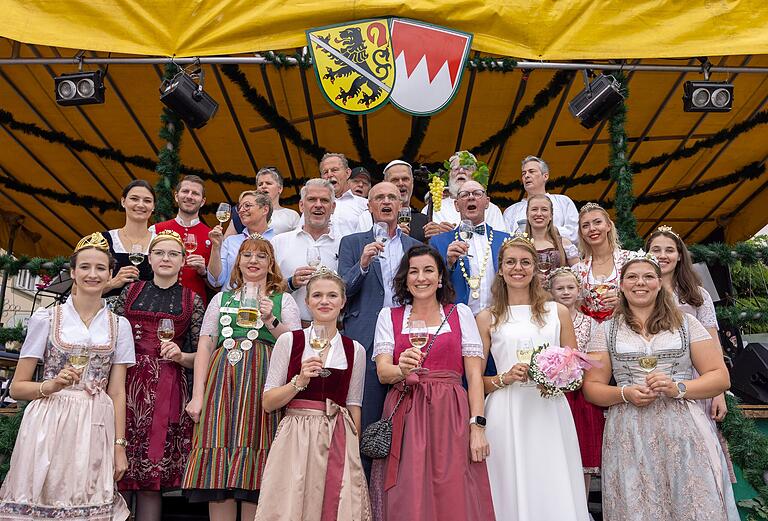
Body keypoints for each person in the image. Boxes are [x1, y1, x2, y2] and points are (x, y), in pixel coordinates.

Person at [582, 252, 738, 521]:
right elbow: (592, 387)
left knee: (691, 503)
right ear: (621, 285)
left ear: (659, 283)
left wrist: (678, 387)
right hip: (629, 431)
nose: (639, 283)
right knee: (637, 505)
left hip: (682, 428)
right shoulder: (606, 330)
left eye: (647, 277)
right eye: (631, 277)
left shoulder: (686, 324)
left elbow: (719, 376)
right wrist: (624, 393)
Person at [0, 233, 135, 520]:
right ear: (73, 272)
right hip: (48, 423)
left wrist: (119, 447)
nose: (92, 274)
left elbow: (118, 392)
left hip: (96, 424)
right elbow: (18, 387)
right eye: (85, 267)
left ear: (110, 274)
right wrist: (51, 384)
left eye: (100, 268)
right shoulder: (46, 319)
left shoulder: (120, 326)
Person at [369, 245, 494, 520]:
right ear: (405, 278)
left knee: (454, 490)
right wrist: (401, 370)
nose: (421, 277)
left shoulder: (459, 314)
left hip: (451, 414)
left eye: (428, 270)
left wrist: (478, 426)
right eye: (413, 271)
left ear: (440, 278)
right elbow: (383, 373)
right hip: (407, 414)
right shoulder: (389, 317)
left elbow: (474, 376)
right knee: (408, 493)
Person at [183, 237, 301, 521]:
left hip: (262, 381)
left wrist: (271, 319)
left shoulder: (283, 300)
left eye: (261, 256)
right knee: (218, 472)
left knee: (255, 471)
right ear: (237, 262)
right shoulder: (220, 299)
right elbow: (205, 347)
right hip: (221, 382)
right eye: (246, 255)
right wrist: (197, 395)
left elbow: (295, 346)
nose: (253, 261)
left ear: (271, 264)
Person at [477, 236, 589, 521]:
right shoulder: (488, 317)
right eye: (510, 262)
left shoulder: (557, 313)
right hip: (506, 410)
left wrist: (556, 377)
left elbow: (577, 375)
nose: (518, 268)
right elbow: (476, 380)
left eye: (525, 262)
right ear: (500, 269)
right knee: (509, 483)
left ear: (536, 268)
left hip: (549, 410)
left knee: (552, 479)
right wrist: (504, 378)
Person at [255, 268, 370, 521]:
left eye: (332, 295)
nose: (324, 301)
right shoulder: (289, 341)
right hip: (296, 435)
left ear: (343, 302)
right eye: (317, 295)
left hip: (338, 436)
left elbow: (353, 405)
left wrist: (354, 452)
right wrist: (300, 381)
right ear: (307, 303)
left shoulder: (355, 350)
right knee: (292, 504)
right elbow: (268, 402)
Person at [114, 230, 204, 520]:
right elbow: (111, 336)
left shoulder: (193, 300)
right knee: (119, 473)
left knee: (151, 481)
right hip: (125, 385)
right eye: (160, 253)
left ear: (182, 262)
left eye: (173, 254)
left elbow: (203, 358)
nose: (166, 258)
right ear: (149, 259)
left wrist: (181, 355)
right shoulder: (131, 291)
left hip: (166, 388)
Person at [337, 181, 421, 471]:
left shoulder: (415, 247)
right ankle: (362, 498)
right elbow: (342, 292)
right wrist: (362, 263)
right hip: (365, 338)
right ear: (369, 206)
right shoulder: (352, 242)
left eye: (392, 197)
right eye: (379, 198)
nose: (386, 202)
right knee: (367, 417)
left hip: (408, 339)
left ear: (401, 206)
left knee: (409, 419)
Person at [646, 225, 735, 480]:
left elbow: (712, 340)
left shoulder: (697, 294)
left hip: (694, 379)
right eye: (656, 250)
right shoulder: (639, 292)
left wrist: (718, 391)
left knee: (697, 454)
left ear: (680, 256)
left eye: (669, 250)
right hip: (652, 376)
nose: (663, 255)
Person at [548, 267, 603, 495]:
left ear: (579, 290)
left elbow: (598, 357)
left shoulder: (590, 324)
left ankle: (584, 502)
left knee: (583, 450)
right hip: (556, 391)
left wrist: (581, 364)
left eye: (570, 287)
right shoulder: (547, 320)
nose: (566, 292)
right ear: (550, 292)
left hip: (582, 394)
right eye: (559, 288)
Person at [430, 180, 510, 315]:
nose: (471, 197)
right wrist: (448, 263)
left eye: (477, 194)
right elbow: (430, 284)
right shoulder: (438, 242)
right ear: (456, 204)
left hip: (499, 318)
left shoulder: (505, 240)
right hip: (456, 321)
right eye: (465, 194)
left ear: (487, 202)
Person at [273, 179, 340, 328]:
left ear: (333, 207)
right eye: (311, 200)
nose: (318, 205)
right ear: (301, 205)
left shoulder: (344, 244)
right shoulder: (279, 242)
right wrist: (291, 283)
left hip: (333, 331)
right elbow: (266, 290)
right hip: (287, 331)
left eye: (324, 200)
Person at [151, 175, 213, 304]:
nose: (189, 196)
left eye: (195, 193)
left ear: (202, 201)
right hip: (158, 301)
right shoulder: (155, 230)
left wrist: (203, 272)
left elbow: (217, 284)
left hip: (194, 306)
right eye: (185, 191)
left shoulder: (212, 236)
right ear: (176, 196)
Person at [422, 151, 506, 239]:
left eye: (466, 168)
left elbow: (501, 241)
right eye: (455, 169)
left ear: (476, 175)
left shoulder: (491, 209)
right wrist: (437, 236)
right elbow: (421, 240)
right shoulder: (433, 208)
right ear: (450, 175)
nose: (461, 171)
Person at [573, 202, 631, 322]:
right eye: (585, 226)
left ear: (608, 226)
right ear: (582, 234)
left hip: (627, 326)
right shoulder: (578, 270)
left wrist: (624, 304)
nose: (592, 229)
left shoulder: (629, 260)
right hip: (593, 333)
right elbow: (576, 307)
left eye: (597, 222)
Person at [502, 155, 579, 243]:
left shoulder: (563, 202)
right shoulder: (511, 211)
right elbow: (505, 241)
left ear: (545, 176)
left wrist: (542, 231)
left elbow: (575, 233)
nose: (526, 175)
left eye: (531, 171)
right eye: (524, 173)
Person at [208, 191, 273, 290]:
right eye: (240, 207)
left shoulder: (278, 241)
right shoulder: (230, 241)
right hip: (230, 302)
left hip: (266, 302)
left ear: (265, 209)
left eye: (247, 205)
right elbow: (216, 281)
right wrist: (216, 247)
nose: (241, 210)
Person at [102, 179, 156, 298]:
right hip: (109, 314)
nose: (140, 205)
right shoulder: (102, 241)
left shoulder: (161, 244)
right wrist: (112, 283)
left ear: (153, 207)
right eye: (134, 199)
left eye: (147, 201)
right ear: (123, 202)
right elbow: (78, 290)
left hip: (149, 314)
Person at [357, 160, 429, 242]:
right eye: (395, 180)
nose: (401, 183)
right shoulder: (368, 216)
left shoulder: (423, 220)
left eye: (405, 179)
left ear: (412, 182)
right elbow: (360, 246)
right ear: (385, 183)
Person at [227, 167, 300, 238]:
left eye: (268, 183)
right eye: (260, 184)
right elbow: (227, 241)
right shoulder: (244, 211)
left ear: (280, 189)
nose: (263, 186)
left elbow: (298, 243)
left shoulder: (291, 215)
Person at [525, 194, 579, 278]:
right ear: (527, 215)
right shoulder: (521, 245)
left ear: (551, 216)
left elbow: (579, 275)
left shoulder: (564, 243)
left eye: (544, 209)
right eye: (534, 209)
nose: (539, 213)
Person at [319, 153, 368, 237]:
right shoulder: (313, 206)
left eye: (334, 170)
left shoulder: (364, 204)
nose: (330, 175)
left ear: (348, 173)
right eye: (325, 172)